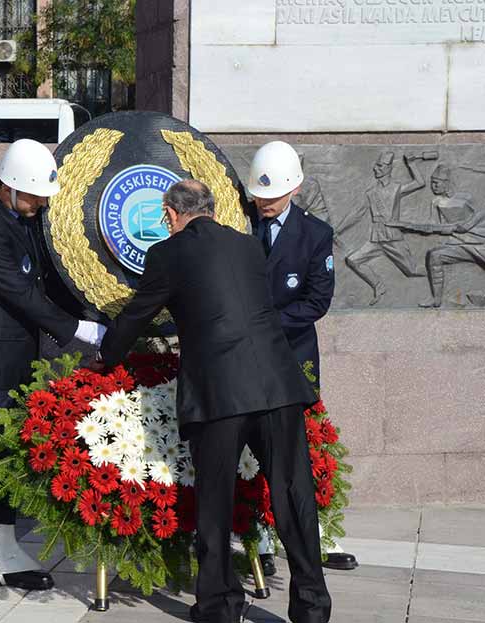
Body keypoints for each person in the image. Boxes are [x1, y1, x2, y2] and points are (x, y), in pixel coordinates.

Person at [98, 180, 331, 623]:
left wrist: (106, 357)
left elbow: (136, 315)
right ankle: (313, 608)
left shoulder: (167, 254)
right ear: (211, 208)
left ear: (170, 214)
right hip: (279, 386)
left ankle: (219, 606)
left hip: (222, 392)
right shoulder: (248, 246)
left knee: (215, 501)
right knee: (294, 495)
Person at [0, 138, 107, 612]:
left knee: (6, 459)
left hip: (15, 363)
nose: (40, 204)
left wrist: (93, 303)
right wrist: (79, 329)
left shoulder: (23, 218)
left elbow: (48, 278)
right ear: (8, 187)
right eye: (34, 196)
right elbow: (22, 294)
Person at [247, 141, 358, 574]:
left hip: (291, 357)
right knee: (250, 451)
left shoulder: (316, 235)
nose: (265, 203)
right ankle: (258, 538)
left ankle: (303, 538)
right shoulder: (241, 225)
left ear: (293, 190)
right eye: (259, 195)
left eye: (273, 197)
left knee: (293, 458)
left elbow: (316, 302)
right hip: (245, 359)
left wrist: (264, 322)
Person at [339, 152, 427, 305]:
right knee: (353, 260)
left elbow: (420, 183)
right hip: (376, 239)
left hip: (393, 238)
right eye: (376, 165)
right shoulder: (371, 193)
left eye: (380, 166)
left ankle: (437, 269)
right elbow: (357, 213)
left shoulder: (396, 188)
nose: (375, 168)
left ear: (389, 168)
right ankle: (379, 286)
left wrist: (412, 164)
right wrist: (338, 229)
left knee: (412, 271)